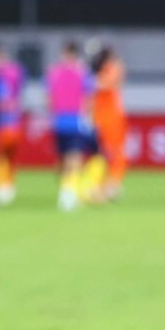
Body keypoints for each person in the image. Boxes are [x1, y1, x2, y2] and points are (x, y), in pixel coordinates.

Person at [46, 41, 92, 212]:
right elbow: (88, 98)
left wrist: (52, 115)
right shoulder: (82, 73)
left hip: (58, 121)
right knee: (75, 158)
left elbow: (49, 98)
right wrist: (87, 117)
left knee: (63, 159)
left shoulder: (53, 72)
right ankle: (69, 194)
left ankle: (66, 193)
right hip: (75, 120)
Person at [92, 45, 127, 201]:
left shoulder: (111, 69)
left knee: (114, 152)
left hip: (112, 119)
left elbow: (107, 83)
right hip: (100, 118)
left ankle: (113, 185)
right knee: (102, 154)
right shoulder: (101, 72)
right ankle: (103, 185)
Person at [0, 46, 25, 205]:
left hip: (1, 124)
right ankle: (8, 187)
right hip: (14, 123)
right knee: (10, 158)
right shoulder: (18, 71)